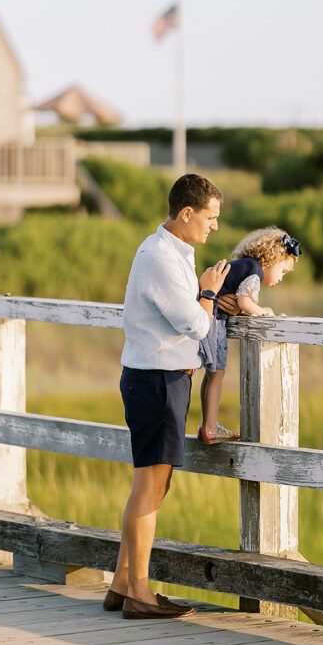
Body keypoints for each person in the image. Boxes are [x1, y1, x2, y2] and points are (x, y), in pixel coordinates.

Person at [103, 173, 233, 620]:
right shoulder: (160, 256)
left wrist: (204, 293)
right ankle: (140, 591)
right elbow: (196, 325)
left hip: (160, 379)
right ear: (187, 214)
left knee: (153, 484)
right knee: (150, 486)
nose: (214, 226)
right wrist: (209, 293)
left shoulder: (169, 252)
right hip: (155, 380)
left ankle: (122, 583)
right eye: (211, 218)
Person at [198, 226, 301, 445]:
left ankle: (207, 425)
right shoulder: (254, 271)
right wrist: (263, 311)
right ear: (274, 258)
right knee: (217, 373)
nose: (281, 278)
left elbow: (236, 300)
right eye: (283, 271)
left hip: (207, 316)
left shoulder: (244, 265)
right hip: (213, 320)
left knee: (210, 374)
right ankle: (210, 428)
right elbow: (245, 301)